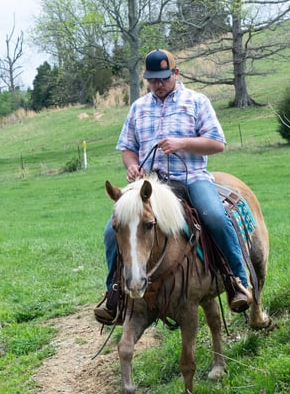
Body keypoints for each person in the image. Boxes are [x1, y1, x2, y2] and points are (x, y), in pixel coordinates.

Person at [94, 49, 253, 325]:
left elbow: (217, 143)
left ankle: (237, 280)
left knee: (214, 215)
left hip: (190, 177)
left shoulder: (197, 102)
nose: (158, 84)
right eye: (153, 79)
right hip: (149, 185)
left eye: (164, 78)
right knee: (113, 228)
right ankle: (115, 292)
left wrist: (182, 143)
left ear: (176, 74)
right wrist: (132, 165)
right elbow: (128, 149)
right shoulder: (138, 108)